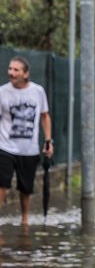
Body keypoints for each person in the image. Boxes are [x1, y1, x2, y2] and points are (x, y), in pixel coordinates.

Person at [0, 57, 53, 226]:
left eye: (16, 70)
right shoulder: (2, 92)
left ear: (26, 73)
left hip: (29, 149)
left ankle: (25, 219)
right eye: (10, 69)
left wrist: (48, 140)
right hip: (5, 146)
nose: (11, 73)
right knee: (1, 183)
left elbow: (45, 116)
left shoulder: (37, 91)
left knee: (26, 188)